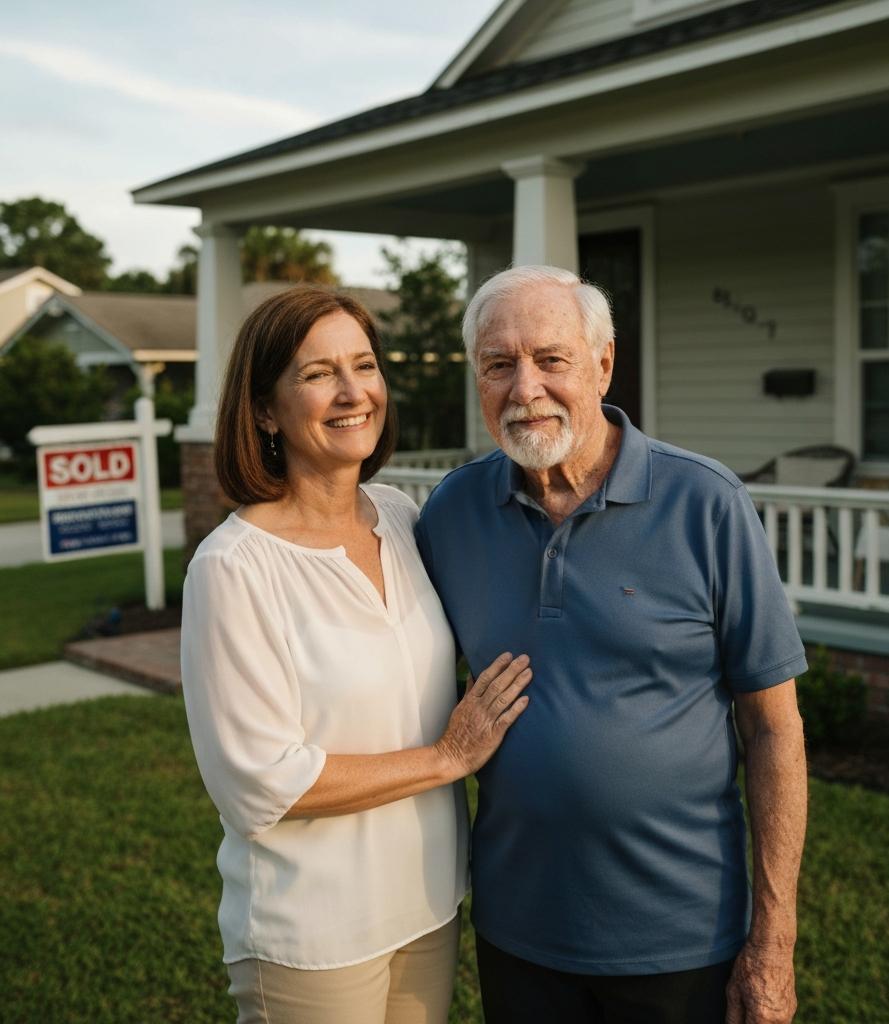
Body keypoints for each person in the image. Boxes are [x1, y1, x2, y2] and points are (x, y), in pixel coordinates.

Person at [415, 265, 808, 1024]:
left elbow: (773, 728)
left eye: (550, 359)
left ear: (603, 363)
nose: (524, 387)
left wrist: (775, 940)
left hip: (682, 940)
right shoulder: (453, 512)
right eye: (498, 365)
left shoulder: (706, 503)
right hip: (518, 933)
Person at [179, 285, 532, 1024]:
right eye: (316, 374)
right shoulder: (236, 566)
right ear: (266, 409)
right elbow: (256, 785)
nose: (352, 392)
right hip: (315, 930)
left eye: (364, 365)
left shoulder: (403, 516)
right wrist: (445, 758)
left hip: (429, 903)